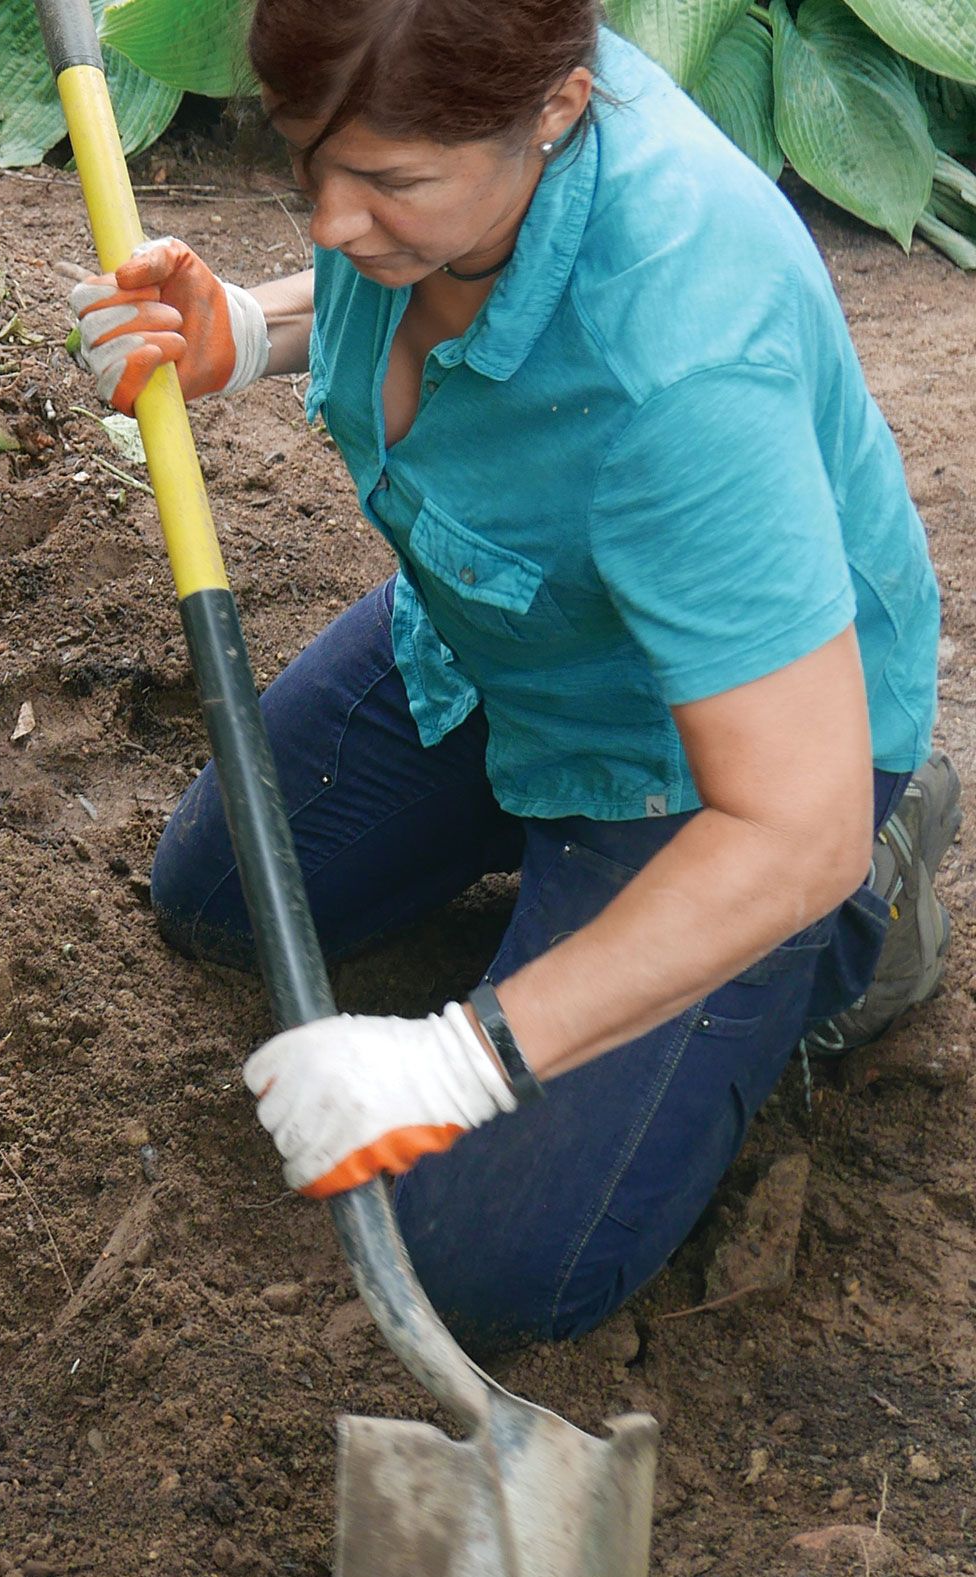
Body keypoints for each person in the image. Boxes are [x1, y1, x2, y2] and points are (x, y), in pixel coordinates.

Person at [68, 0, 956, 1352]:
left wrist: (464, 1056)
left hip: (712, 760)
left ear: (557, 108)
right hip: (505, 632)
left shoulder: (683, 356)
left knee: (486, 1263)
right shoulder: (476, 112)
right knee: (218, 900)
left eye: (390, 185)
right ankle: (564, 898)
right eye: (307, 159)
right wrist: (249, 327)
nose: (328, 222)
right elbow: (401, 264)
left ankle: (866, 910)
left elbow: (794, 820)